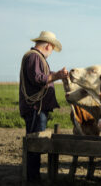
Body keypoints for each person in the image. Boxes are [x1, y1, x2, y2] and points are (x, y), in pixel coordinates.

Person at [19, 31, 68, 182]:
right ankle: (33, 178)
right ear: (48, 46)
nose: (51, 52)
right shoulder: (34, 57)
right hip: (35, 108)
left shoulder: (35, 57)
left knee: (36, 143)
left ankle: (33, 176)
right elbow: (38, 78)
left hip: (37, 108)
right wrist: (57, 76)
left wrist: (57, 74)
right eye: (52, 49)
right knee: (35, 143)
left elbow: (43, 74)